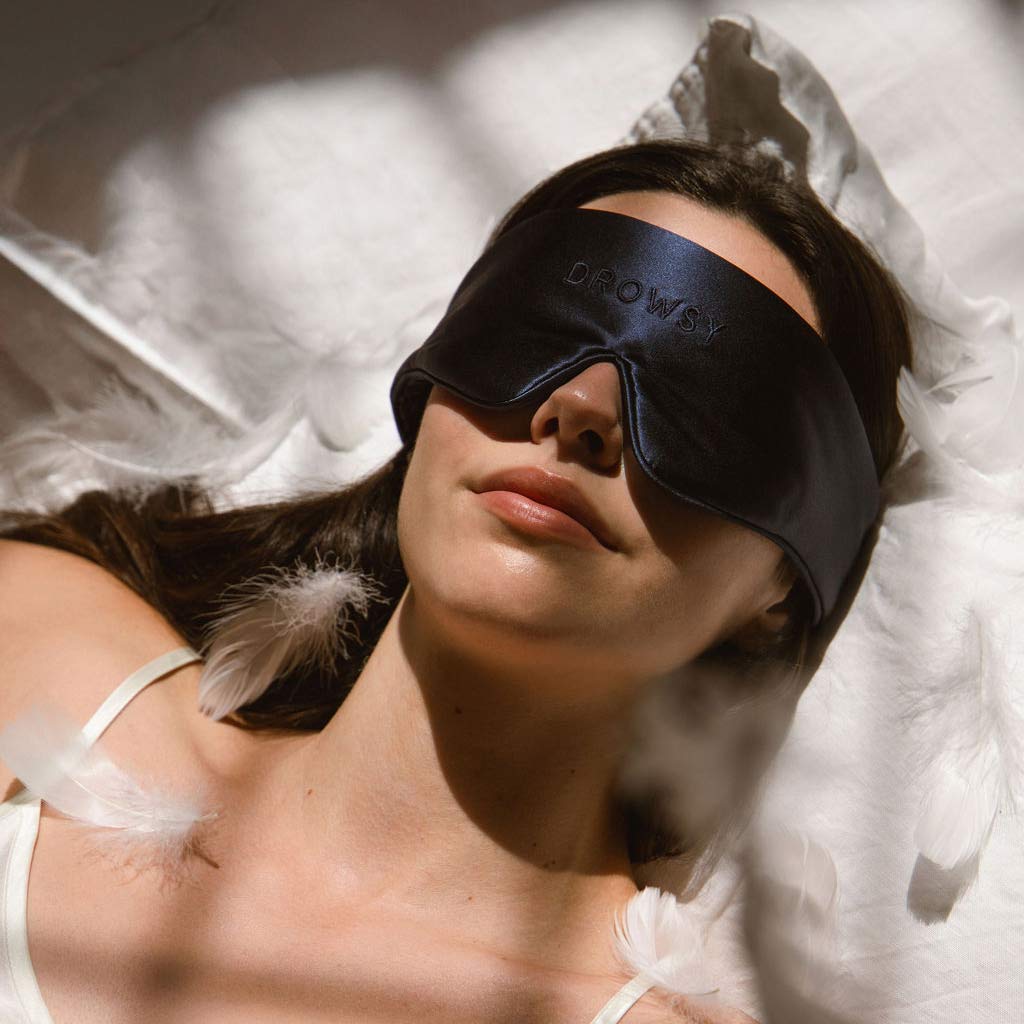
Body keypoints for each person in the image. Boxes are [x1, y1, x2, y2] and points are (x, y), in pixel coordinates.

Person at [0, 136, 912, 1023]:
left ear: (782, 587)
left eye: (705, 403)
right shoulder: (34, 641)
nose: (580, 410)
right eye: (537, 333)